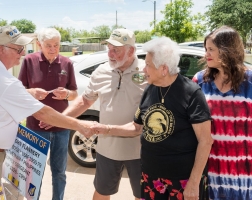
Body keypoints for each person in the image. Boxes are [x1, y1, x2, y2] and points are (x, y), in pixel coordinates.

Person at [0, 25, 92, 200]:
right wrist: (81, 125)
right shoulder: (3, 79)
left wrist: (30, 93)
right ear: (1, 49)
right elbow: (42, 113)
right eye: (18, 49)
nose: (22, 52)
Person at [92, 37, 213, 200]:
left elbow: (205, 141)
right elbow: (137, 127)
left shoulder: (191, 93)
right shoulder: (150, 90)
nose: (143, 70)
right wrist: (105, 128)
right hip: (151, 178)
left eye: (148, 65)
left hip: (182, 181)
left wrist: (194, 183)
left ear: (163, 69)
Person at [44, 28, 148, 200]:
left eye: (116, 50)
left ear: (131, 51)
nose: (110, 54)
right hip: (108, 148)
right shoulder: (101, 71)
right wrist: (61, 119)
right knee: (101, 192)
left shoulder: (147, 71)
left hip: (141, 150)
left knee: (142, 195)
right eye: (109, 48)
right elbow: (85, 101)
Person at [192, 25, 252, 200]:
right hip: (208, 165)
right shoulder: (200, 80)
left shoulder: (250, 82)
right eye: (206, 49)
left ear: (228, 51)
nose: (206, 54)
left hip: (244, 169)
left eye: (211, 49)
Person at [18, 27, 77, 200]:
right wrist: (32, 92)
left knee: (59, 172)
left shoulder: (67, 63)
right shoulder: (29, 61)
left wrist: (66, 94)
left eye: (56, 45)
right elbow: (19, 90)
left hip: (61, 128)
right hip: (36, 127)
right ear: (39, 44)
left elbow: (74, 94)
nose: (53, 49)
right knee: (34, 174)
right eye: (48, 45)